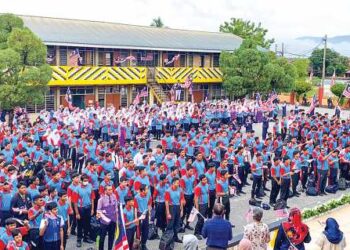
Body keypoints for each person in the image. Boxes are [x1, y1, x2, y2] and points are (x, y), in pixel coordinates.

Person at [97, 184, 118, 250]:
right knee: (102, 238)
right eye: (109, 190)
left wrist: (117, 218)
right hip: (104, 222)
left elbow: (116, 207)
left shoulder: (114, 196)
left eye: (111, 189)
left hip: (113, 220)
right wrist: (103, 213)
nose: (111, 191)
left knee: (111, 237)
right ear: (105, 191)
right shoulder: (101, 199)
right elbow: (98, 210)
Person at [165, 177, 185, 243]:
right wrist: (168, 213)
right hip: (171, 207)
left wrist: (181, 210)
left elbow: (181, 200)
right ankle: (168, 239)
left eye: (178, 183)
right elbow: (167, 202)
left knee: (177, 224)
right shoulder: (168, 191)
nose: (178, 184)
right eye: (177, 183)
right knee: (170, 224)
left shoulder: (180, 190)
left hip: (178, 207)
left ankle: (175, 237)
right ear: (173, 183)